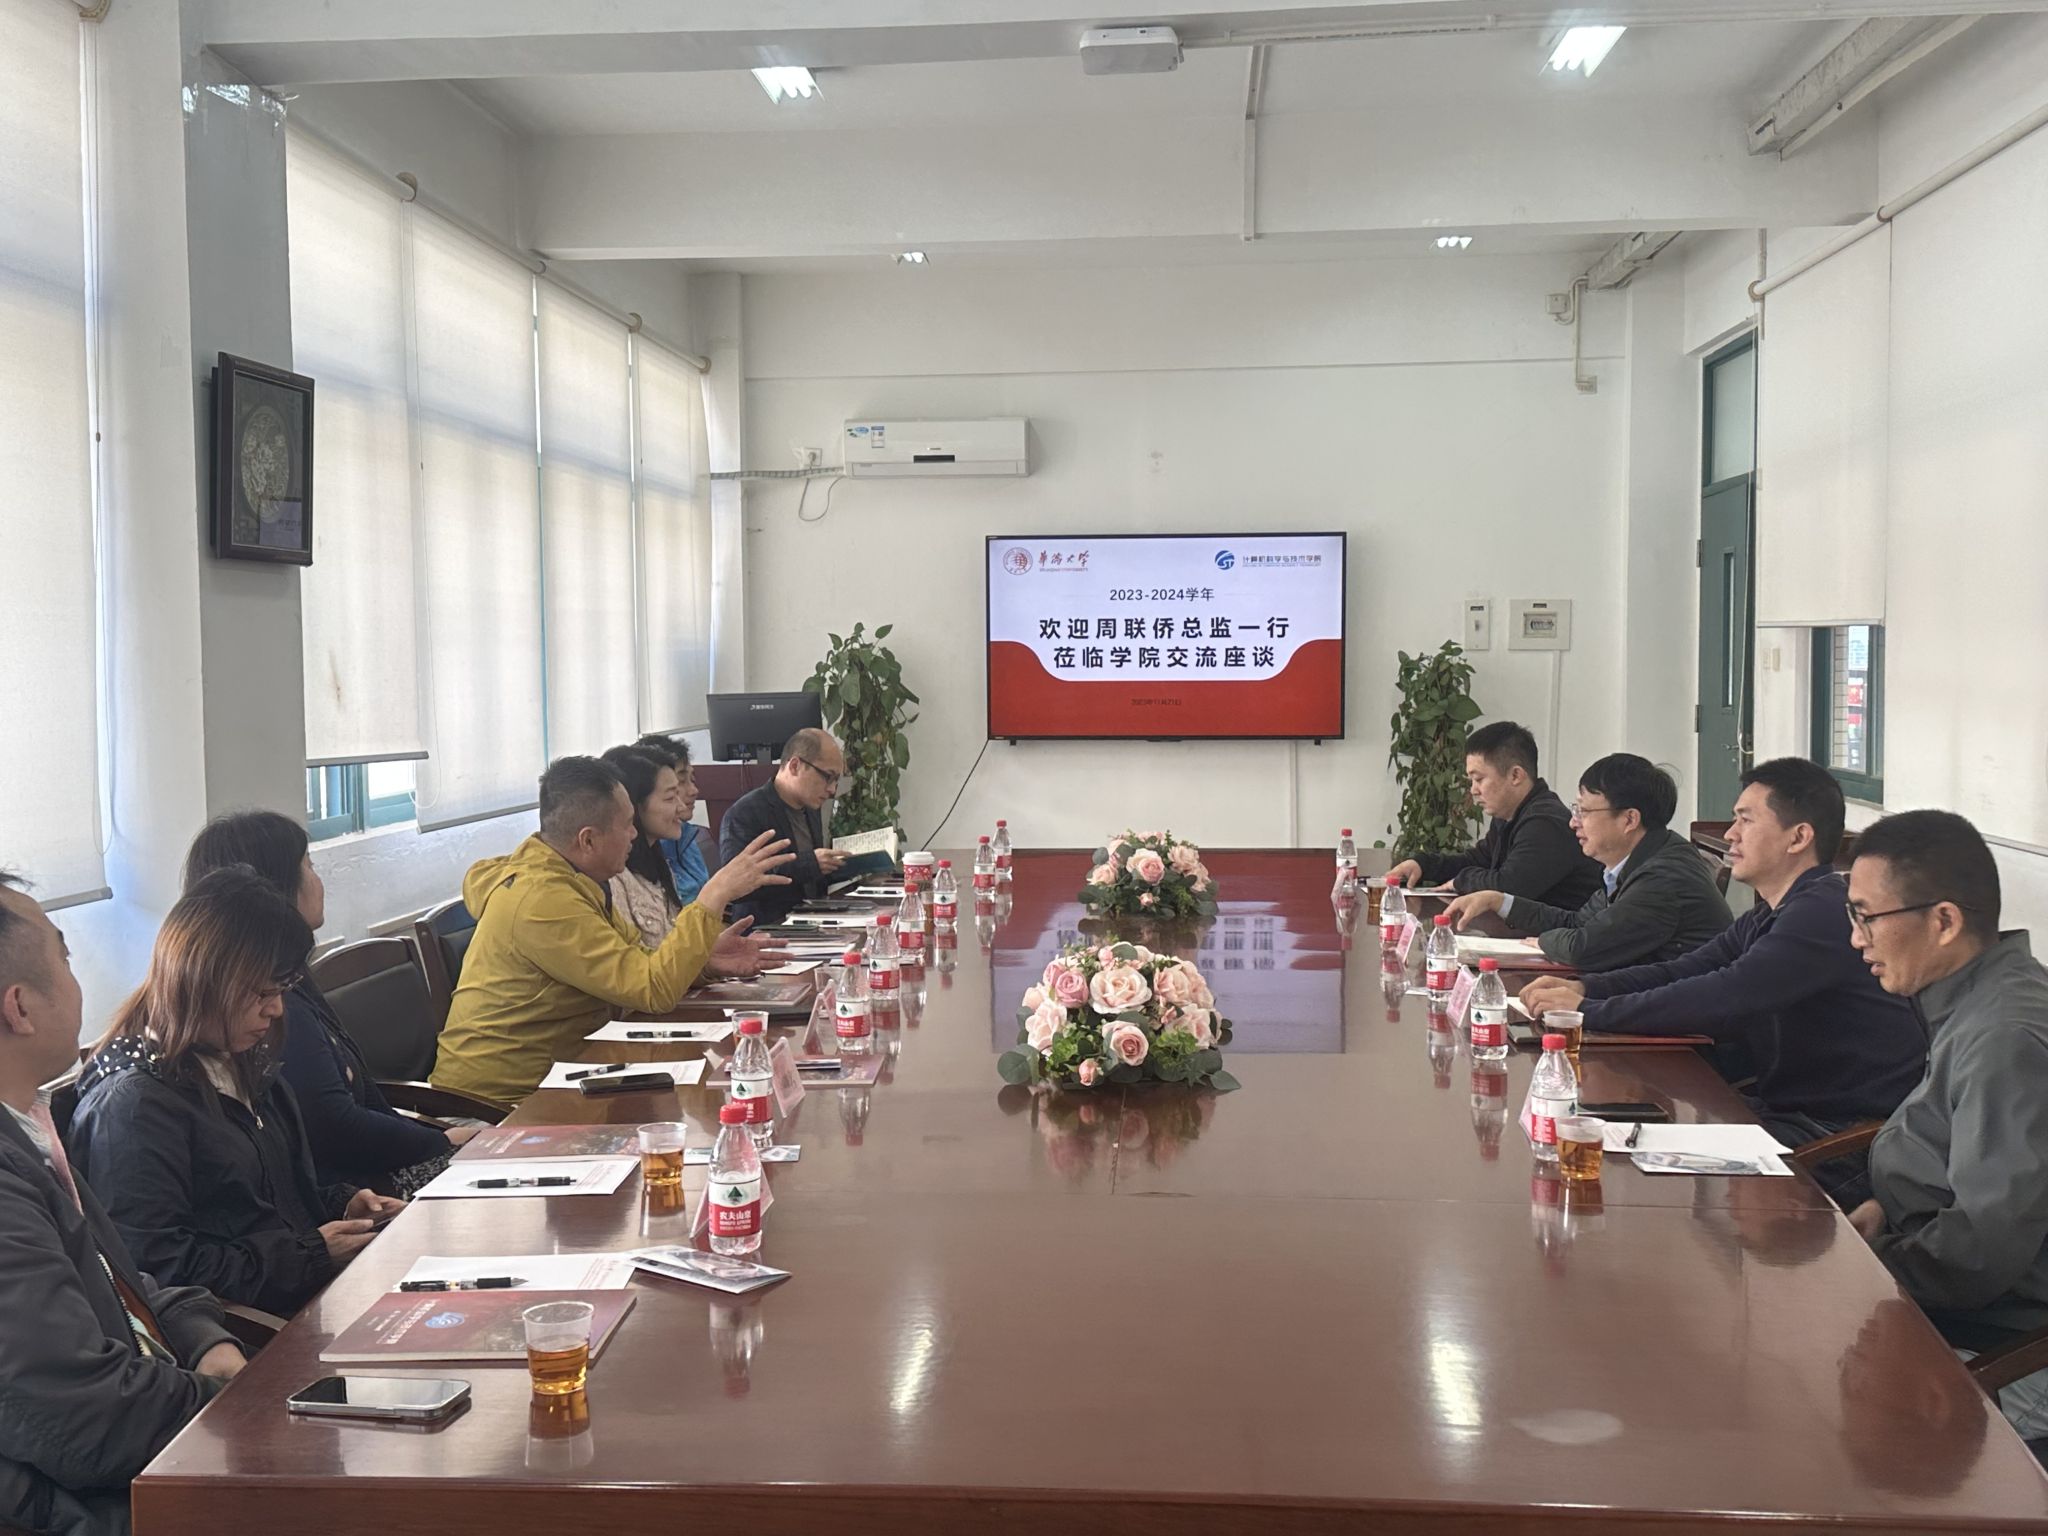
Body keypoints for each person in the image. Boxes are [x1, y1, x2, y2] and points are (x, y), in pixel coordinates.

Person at [0, 869, 247, 1536]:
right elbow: (81, 1416)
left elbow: (116, 1284)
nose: (77, 980)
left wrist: (201, 1335)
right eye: (65, 959)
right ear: (19, 1008)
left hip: (152, 1446)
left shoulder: (26, 1126)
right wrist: (228, 1404)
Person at [1518, 760, 1926, 1159]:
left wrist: (1588, 1011)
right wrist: (1586, 987)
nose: (1731, 834)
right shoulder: (1773, 912)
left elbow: (1725, 994)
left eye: (1746, 820)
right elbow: (1687, 969)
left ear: (1798, 837)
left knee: (1617, 1152)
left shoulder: (1820, 912)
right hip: (1783, 1109)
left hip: (1837, 1134)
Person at [69, 868, 403, 1318]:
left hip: (312, 1297)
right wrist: (309, 1255)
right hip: (253, 1332)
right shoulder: (133, 1107)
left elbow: (263, 1200)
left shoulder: (235, 1058)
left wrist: (343, 1204)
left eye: (282, 990)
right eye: (262, 993)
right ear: (206, 979)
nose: (276, 1009)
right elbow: (158, 1272)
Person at [1842, 809, 2048, 1441]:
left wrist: (1858, 1269)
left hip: (2010, 1341)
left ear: (1945, 921)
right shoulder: (1977, 996)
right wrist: (1884, 1206)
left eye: (1866, 917)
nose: (1856, 940)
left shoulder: (2004, 1035)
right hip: (1967, 1303)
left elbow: (1981, 1250)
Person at [431, 756, 795, 1105]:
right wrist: (713, 896)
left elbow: (639, 966)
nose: (635, 835)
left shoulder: (575, 879)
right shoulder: (542, 899)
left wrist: (703, 961)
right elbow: (652, 990)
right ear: (588, 840)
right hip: (498, 1104)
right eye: (627, 825)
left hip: (568, 1077)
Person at [181, 811, 477, 1197]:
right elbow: (333, 1125)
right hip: (356, 1188)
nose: (319, 881)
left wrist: (433, 1137)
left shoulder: (284, 985)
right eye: (309, 866)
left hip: (360, 1178)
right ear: (273, 888)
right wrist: (439, 1141)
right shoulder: (269, 1008)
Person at [1443, 753, 1730, 971]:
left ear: (1629, 819)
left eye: (1584, 811)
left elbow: (1583, 947)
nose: (1573, 822)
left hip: (1689, 1024)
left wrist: (1543, 941)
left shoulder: (1663, 878)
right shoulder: (1637, 860)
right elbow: (1577, 922)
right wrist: (1498, 901)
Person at [1386, 721, 1602, 910]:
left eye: (1479, 779)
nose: (1473, 790)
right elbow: (1478, 861)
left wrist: (1461, 881)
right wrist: (1424, 865)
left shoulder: (1545, 823)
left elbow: (1508, 887)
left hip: (1560, 937)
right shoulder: (1509, 815)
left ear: (1515, 775)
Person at [719, 727, 850, 927]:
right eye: (827, 776)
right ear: (795, 766)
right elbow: (735, 888)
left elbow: (809, 880)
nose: (832, 789)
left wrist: (843, 865)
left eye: (836, 781)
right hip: (768, 930)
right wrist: (810, 864)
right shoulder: (745, 814)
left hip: (812, 923)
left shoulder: (810, 808)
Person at [601, 747, 690, 948]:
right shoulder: (613, 878)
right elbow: (636, 962)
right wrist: (715, 896)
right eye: (670, 798)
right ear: (632, 804)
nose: (682, 807)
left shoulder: (659, 865)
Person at [633, 734, 723, 906]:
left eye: (692, 779)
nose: (694, 790)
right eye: (681, 782)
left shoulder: (686, 836)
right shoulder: (628, 860)